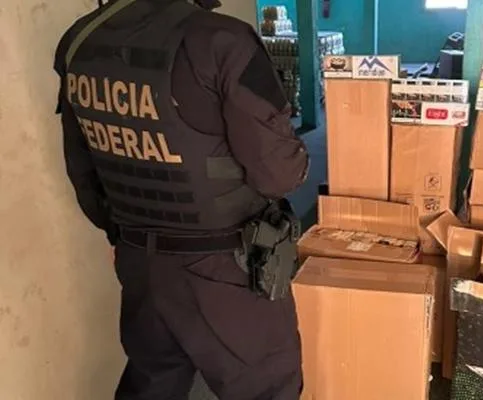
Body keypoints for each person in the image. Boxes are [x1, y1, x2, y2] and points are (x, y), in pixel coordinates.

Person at [53, 0, 309, 399]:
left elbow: (82, 170)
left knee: (154, 382)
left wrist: (123, 235)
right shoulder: (221, 41)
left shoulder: (79, 41)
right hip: (227, 266)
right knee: (266, 387)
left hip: (140, 262)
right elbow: (279, 174)